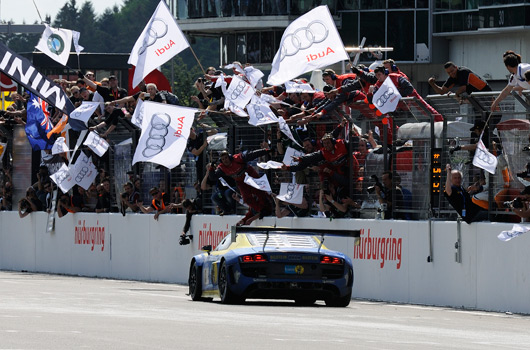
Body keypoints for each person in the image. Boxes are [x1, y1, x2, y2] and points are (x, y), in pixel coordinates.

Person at [208, 148, 274, 222]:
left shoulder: (238, 158)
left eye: (226, 158)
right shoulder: (221, 168)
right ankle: (261, 210)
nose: (225, 160)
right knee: (246, 199)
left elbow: (253, 154)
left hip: (250, 175)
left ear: (229, 156)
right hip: (241, 182)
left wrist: (266, 150)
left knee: (260, 192)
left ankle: (268, 207)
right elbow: (212, 177)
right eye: (223, 159)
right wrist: (211, 168)